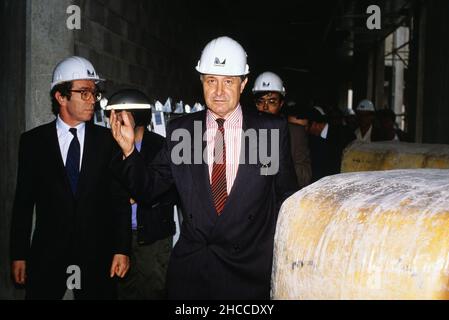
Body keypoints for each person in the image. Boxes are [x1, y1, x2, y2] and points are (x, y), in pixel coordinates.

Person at [109, 36, 298, 299]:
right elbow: (149, 189)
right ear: (201, 81)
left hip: (249, 272)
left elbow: (286, 199)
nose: (219, 91)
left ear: (243, 83)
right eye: (211, 80)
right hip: (193, 274)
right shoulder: (182, 131)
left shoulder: (269, 131)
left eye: (228, 81)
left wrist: (281, 257)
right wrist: (129, 151)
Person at [10, 56, 130, 299]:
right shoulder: (33, 143)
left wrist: (121, 249)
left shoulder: (108, 141)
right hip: (47, 255)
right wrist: (19, 254)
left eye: (94, 93)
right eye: (84, 93)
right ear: (61, 97)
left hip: (98, 256)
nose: (92, 101)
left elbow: (119, 199)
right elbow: (23, 202)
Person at [104, 89, 177, 299]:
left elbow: (173, 191)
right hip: (123, 237)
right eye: (114, 115)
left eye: (121, 115)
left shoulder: (161, 146)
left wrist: (144, 193)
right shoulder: (112, 148)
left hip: (154, 237)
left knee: (153, 292)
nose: (115, 120)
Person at [252, 71, 311, 188]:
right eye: (261, 101)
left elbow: (305, 176)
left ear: (281, 104)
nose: (265, 107)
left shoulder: (295, 133)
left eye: (271, 102)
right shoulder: (245, 130)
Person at [304, 106, 355, 182]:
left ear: (314, 124)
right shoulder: (312, 140)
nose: (306, 130)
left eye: (306, 127)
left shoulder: (344, 133)